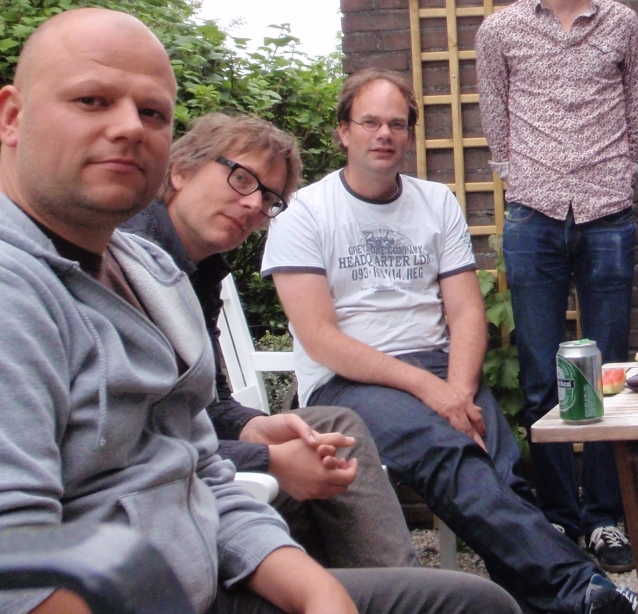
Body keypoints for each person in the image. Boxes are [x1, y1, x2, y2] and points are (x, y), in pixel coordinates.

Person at [0, 7, 516, 614]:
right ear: (12, 117)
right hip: (132, 594)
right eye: (91, 100)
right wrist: (264, 455)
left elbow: (199, 467)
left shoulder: (152, 273)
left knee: (473, 602)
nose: (129, 127)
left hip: (200, 570)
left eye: (153, 113)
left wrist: (316, 591)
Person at [262, 67, 636, 614]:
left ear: (410, 135)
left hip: (438, 369)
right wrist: (432, 392)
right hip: (347, 384)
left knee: (500, 467)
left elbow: (465, 312)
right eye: (370, 122)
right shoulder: (303, 212)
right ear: (344, 131)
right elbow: (320, 339)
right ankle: (583, 590)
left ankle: (545, 603)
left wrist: (457, 390)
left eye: (397, 124)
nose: (384, 134)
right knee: (452, 451)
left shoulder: (436, 201)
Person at [123, 112, 419, 569]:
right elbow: (137, 442)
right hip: (148, 512)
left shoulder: (201, 272)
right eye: (241, 178)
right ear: (180, 170)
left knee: (333, 425)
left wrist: (252, 427)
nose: (253, 205)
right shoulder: (130, 262)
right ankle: (383, 589)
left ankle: (373, 585)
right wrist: (266, 459)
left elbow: (211, 403)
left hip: (197, 464)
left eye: (269, 198)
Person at [475, 0, 638, 574]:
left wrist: (618, 174)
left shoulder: (622, 23)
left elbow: (636, 112)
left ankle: (604, 519)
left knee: (607, 372)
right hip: (533, 215)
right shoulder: (499, 30)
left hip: (607, 212)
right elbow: (496, 119)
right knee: (541, 374)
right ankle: (556, 516)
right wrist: (524, 178)